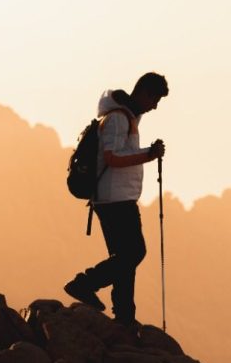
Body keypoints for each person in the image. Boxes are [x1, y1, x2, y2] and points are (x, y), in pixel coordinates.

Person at [64, 72, 168, 327]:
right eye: (154, 100)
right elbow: (112, 158)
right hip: (114, 199)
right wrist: (148, 155)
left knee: (124, 257)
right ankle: (84, 283)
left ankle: (124, 316)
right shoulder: (117, 119)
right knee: (134, 252)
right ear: (144, 93)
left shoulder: (126, 116)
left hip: (118, 197)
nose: (155, 107)